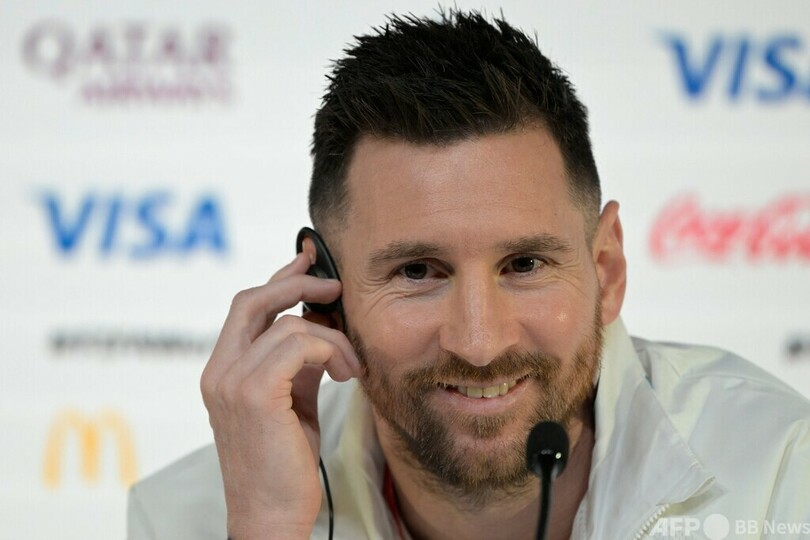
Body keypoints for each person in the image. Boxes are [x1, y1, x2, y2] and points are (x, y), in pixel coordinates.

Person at [127, 10, 810, 540]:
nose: (480, 344)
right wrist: (271, 528)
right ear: (326, 304)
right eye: (417, 271)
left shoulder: (782, 468)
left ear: (606, 269)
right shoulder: (192, 517)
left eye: (525, 265)